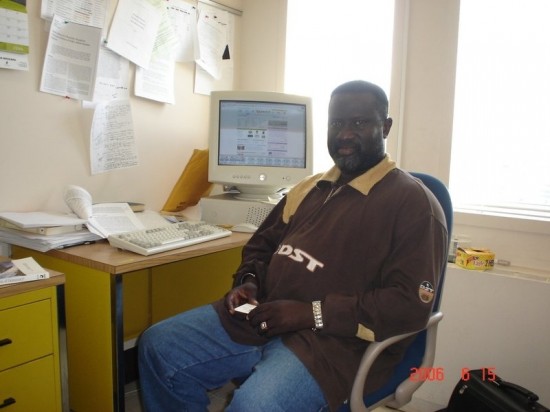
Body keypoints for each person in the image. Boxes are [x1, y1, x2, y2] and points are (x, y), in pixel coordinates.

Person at [138, 80, 448, 412]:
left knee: (253, 406)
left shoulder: (413, 205)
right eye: (336, 123)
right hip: (263, 317)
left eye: (359, 122)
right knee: (159, 346)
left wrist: (310, 313)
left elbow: (407, 305)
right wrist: (249, 281)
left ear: (385, 127)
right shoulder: (310, 188)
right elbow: (261, 246)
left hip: (334, 344)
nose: (344, 134)